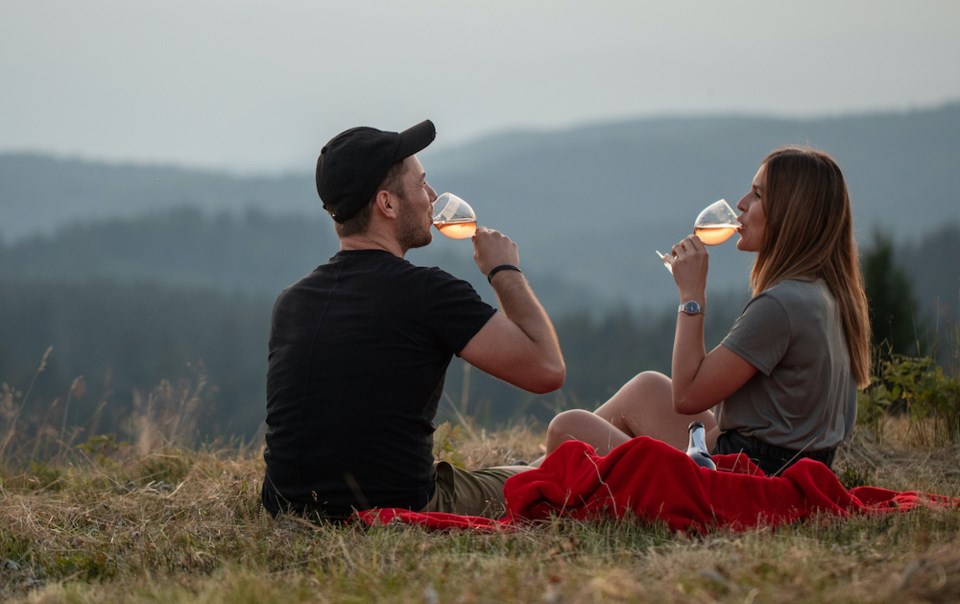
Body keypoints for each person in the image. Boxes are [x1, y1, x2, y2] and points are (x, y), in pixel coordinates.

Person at [261, 119, 565, 520]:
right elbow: (546, 369)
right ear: (387, 204)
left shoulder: (292, 301)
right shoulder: (427, 293)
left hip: (287, 508)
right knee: (545, 475)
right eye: (422, 185)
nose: (433, 197)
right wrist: (504, 271)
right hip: (400, 505)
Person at [543, 146, 871, 476]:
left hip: (744, 479)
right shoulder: (821, 293)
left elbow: (688, 396)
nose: (741, 204)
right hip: (764, 461)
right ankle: (531, 471)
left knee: (567, 428)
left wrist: (691, 297)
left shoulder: (780, 305)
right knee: (648, 389)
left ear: (791, 213)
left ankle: (523, 479)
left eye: (757, 195)